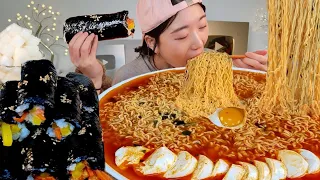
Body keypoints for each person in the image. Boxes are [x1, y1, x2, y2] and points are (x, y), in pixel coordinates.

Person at [68, 0, 268, 94]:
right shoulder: (130, 78)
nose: (200, 44)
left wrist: (247, 79)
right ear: (152, 42)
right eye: (181, 36)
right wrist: (93, 79)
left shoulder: (214, 60)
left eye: (203, 26)